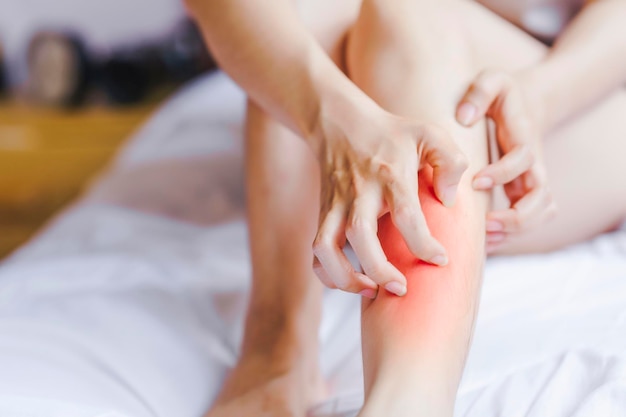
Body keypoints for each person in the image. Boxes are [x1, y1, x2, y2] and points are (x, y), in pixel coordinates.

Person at [183, 0, 626, 416]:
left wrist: (541, 95)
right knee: (303, 12)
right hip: (377, 69)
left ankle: (409, 399)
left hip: (573, 93)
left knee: (409, 9)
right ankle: (278, 344)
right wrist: (333, 118)